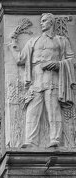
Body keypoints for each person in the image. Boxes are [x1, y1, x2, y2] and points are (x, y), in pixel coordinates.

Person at [14, 12, 75, 148]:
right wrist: (13, 43)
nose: (41, 23)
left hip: (52, 79)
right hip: (36, 80)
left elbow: (72, 60)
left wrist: (59, 64)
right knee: (32, 111)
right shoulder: (33, 41)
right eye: (41, 21)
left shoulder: (61, 40)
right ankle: (30, 141)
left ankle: (55, 140)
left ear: (51, 23)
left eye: (45, 21)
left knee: (53, 111)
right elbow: (20, 59)